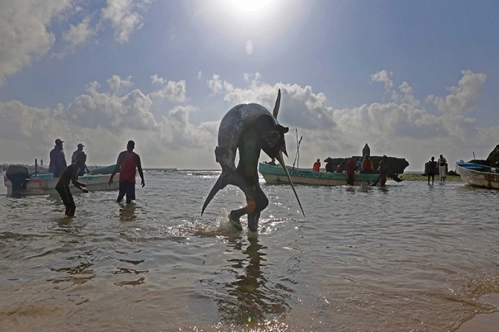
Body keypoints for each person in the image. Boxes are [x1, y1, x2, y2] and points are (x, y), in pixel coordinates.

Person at [109, 140, 145, 204]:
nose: (129, 147)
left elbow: (139, 168)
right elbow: (117, 167)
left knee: (124, 196)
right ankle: (125, 211)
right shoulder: (132, 156)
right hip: (127, 179)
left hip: (126, 179)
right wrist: (111, 177)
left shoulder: (125, 155)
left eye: (130, 146)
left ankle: (123, 210)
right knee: (124, 197)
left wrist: (143, 179)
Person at [55, 152, 88, 216]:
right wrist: (82, 186)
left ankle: (66, 221)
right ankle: (69, 221)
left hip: (61, 186)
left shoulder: (77, 167)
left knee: (68, 206)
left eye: (85, 158)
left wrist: (82, 188)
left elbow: (74, 181)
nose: (83, 160)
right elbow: (74, 181)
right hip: (62, 185)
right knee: (72, 206)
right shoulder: (75, 166)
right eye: (82, 158)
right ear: (77, 158)